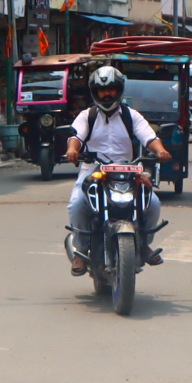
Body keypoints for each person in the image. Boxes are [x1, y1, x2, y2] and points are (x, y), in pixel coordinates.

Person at [63, 65, 171, 275]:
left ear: (119, 90)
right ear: (94, 92)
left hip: (127, 171)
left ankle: (143, 244)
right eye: (102, 90)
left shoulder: (131, 115)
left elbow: (149, 137)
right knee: (76, 204)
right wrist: (72, 150)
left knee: (153, 204)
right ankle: (81, 252)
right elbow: (76, 137)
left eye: (111, 89)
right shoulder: (87, 116)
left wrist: (160, 150)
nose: (107, 94)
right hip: (93, 170)